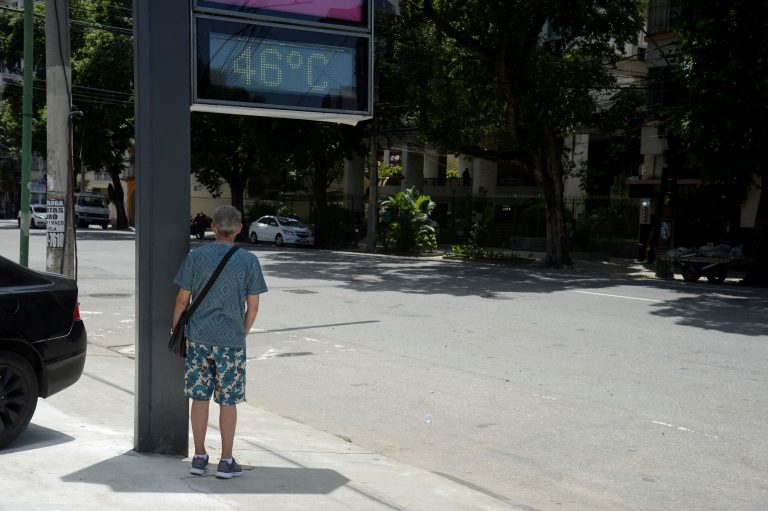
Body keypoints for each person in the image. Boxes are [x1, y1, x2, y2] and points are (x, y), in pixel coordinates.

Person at [171, 205, 268, 479]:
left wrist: (175, 331)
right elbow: (254, 307)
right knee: (228, 400)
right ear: (238, 229)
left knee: (199, 397)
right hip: (231, 341)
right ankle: (226, 461)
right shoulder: (249, 261)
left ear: (213, 228)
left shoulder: (196, 257)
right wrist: (243, 331)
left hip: (198, 338)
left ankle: (199, 457)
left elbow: (182, 300)